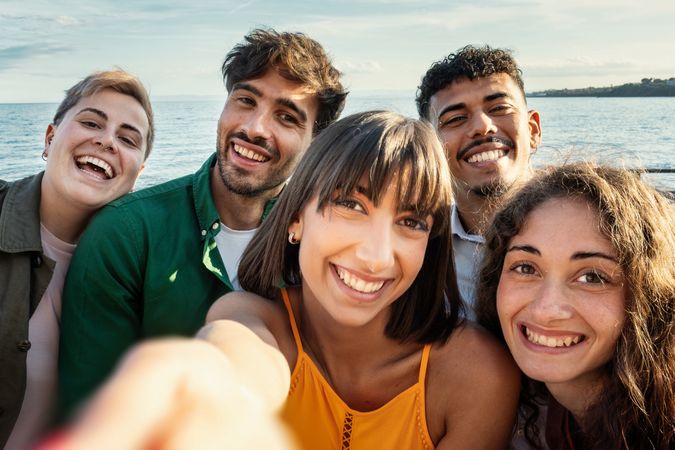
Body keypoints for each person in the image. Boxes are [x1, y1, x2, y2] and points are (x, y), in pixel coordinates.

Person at [43, 111, 521, 450]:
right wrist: (198, 392)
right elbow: (235, 361)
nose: (376, 257)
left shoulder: (475, 376)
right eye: (351, 206)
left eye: (411, 222)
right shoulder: (252, 318)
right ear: (295, 219)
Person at [57, 28, 346, 419]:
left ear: (315, 143)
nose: (255, 128)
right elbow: (90, 411)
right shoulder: (125, 233)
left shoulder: (329, 242)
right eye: (245, 100)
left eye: (286, 117)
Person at [0, 69, 154, 449]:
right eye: (91, 122)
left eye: (128, 139)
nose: (106, 141)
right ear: (50, 138)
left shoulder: (140, 267)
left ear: (138, 174)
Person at [475, 163, 675, 449]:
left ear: (649, 297)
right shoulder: (522, 408)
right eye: (526, 268)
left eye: (591, 277)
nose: (546, 309)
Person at [415, 45, 542, 316]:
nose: (482, 126)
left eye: (499, 108)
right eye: (456, 119)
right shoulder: (419, 251)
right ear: (431, 148)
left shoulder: (595, 228)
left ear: (533, 130)